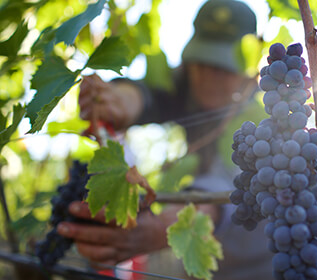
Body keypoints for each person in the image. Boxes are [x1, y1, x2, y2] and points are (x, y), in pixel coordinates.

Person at [57, 0, 274, 279]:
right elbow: (150, 95)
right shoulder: (186, 84)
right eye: (203, 62)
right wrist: (118, 101)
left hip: (263, 263)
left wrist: (170, 226)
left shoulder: (265, 118)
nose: (210, 76)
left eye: (223, 67)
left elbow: (228, 188)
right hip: (204, 265)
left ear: (247, 67)